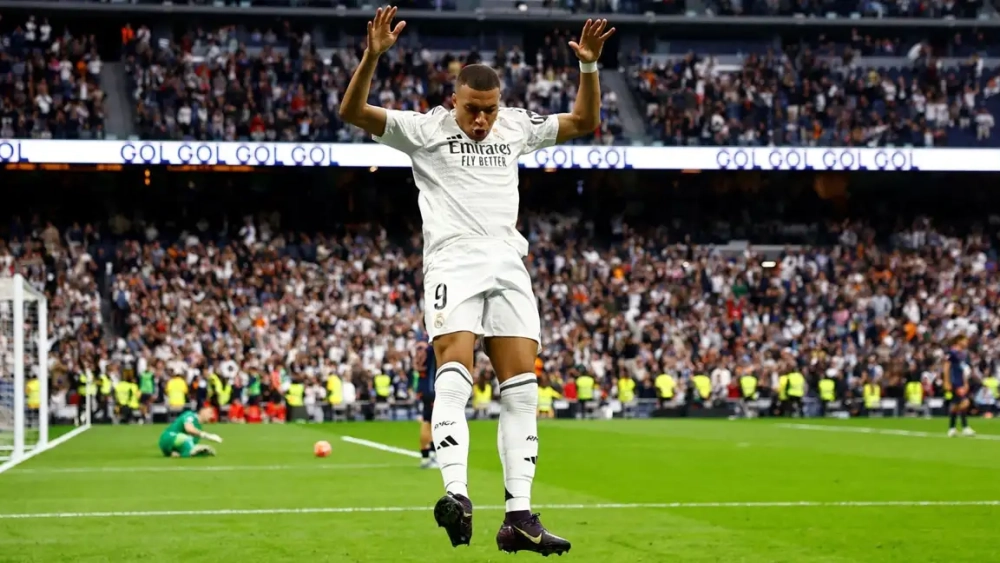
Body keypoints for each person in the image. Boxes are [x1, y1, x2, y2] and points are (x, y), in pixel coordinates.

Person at [338, 6, 614, 556]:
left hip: (508, 262)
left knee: (522, 387)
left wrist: (588, 68)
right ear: (454, 100)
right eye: (472, 110)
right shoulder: (425, 129)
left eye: (489, 110)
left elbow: (584, 122)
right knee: (455, 373)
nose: (482, 120)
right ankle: (457, 494)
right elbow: (353, 112)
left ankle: (519, 517)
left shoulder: (515, 126)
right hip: (453, 262)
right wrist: (371, 57)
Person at [158, 406, 222, 458]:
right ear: (202, 410)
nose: (211, 416)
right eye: (210, 412)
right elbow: (189, 429)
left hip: (171, 448)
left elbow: (190, 443)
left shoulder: (198, 428)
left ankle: (176, 453)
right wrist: (207, 435)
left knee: (194, 450)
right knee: (189, 442)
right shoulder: (190, 415)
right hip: (168, 437)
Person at [414, 334, 438, 469]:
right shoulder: (430, 346)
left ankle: (427, 456)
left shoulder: (419, 345)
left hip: (422, 384)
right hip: (431, 387)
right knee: (431, 422)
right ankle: (430, 456)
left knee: (427, 421)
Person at [944, 335, 976, 437]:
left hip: (961, 382)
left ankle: (953, 428)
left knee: (958, 404)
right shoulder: (952, 353)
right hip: (955, 381)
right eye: (964, 340)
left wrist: (965, 383)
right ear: (958, 341)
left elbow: (963, 370)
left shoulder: (963, 354)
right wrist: (946, 381)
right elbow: (946, 367)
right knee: (965, 403)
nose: (966, 342)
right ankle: (963, 427)